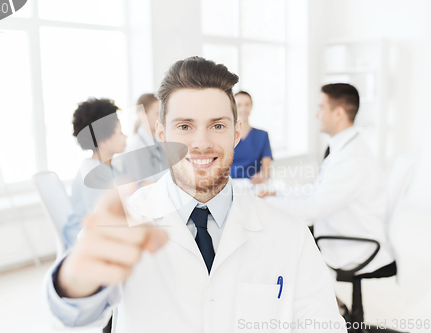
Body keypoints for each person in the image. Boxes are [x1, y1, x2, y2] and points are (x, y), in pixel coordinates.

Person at [44, 57, 346, 333]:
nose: (200, 143)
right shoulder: (125, 223)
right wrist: (75, 281)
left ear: (236, 132)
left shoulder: (290, 234)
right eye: (185, 126)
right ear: (161, 135)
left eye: (217, 125)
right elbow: (74, 316)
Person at [260, 83, 394, 277]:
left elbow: (311, 209)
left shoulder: (351, 159)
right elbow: (317, 190)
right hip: (342, 229)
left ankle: (314, 302)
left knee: (278, 242)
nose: (317, 115)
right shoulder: (345, 149)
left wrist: (267, 202)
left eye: (321, 108)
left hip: (351, 243)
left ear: (338, 114)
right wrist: (278, 193)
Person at [63, 98, 127, 250]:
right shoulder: (91, 174)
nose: (125, 137)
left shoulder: (109, 167)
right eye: (120, 133)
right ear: (103, 140)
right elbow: (105, 217)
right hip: (85, 242)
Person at [230, 91, 272, 184]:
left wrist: (262, 175)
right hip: (231, 185)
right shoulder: (226, 136)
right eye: (239, 105)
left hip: (254, 184)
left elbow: (266, 168)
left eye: (247, 104)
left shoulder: (262, 136)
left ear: (251, 106)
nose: (243, 109)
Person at [123, 93, 165, 185]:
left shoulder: (158, 142)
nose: (162, 118)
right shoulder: (136, 146)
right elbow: (145, 184)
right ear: (142, 115)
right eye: (157, 114)